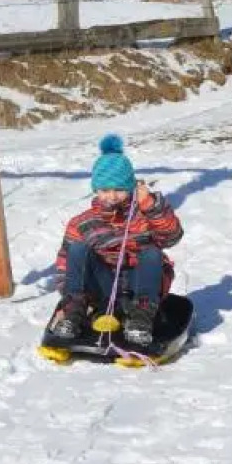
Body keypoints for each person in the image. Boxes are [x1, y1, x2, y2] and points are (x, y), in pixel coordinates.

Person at [49, 133, 183, 345]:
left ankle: (141, 318)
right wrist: (66, 299)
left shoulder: (144, 214)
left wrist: (150, 206)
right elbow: (65, 264)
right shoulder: (83, 223)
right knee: (77, 249)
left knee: (151, 252)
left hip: (140, 285)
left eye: (119, 190)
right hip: (102, 287)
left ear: (131, 187)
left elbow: (172, 236)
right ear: (95, 189)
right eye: (105, 190)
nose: (111, 196)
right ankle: (75, 312)